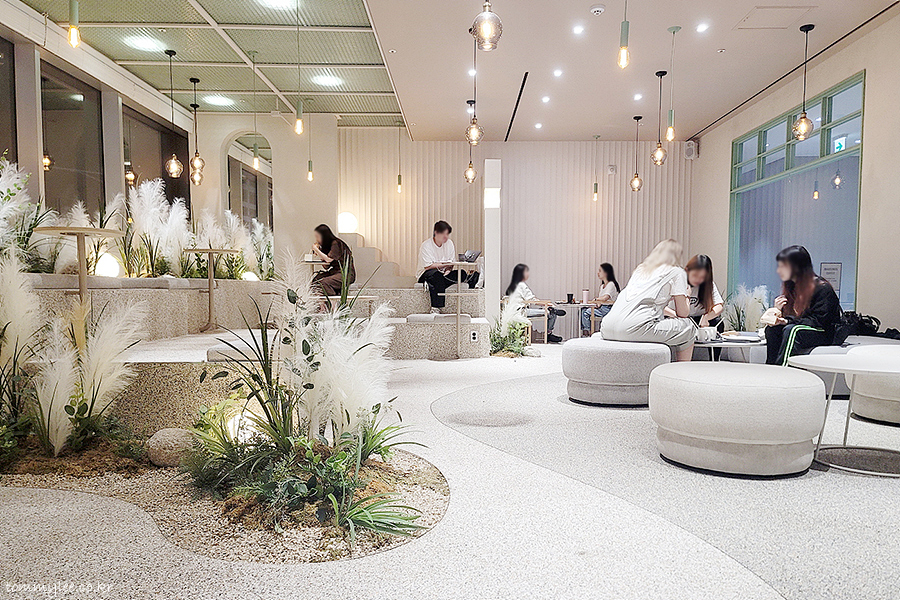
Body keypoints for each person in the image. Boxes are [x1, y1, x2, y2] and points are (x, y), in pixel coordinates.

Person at [600, 239, 697, 362]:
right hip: (634, 328)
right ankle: (680, 370)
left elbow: (643, 303)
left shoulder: (641, 270)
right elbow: (683, 313)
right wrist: (687, 295)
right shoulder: (676, 272)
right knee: (688, 327)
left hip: (607, 327)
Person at [765, 245, 841, 366]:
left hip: (823, 331)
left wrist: (787, 321)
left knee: (793, 330)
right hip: (802, 327)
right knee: (772, 329)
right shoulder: (792, 288)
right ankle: (770, 367)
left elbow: (819, 320)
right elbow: (792, 317)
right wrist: (777, 311)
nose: (779, 271)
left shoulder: (822, 288)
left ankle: (783, 369)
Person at [417, 221, 479, 312]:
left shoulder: (449, 243)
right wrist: (444, 265)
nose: (446, 237)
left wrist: (447, 272)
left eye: (447, 234)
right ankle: (436, 307)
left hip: (443, 274)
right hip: (427, 273)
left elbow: (451, 264)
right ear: (436, 233)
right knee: (436, 276)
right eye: (443, 234)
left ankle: (437, 282)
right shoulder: (426, 245)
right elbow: (428, 266)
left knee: (461, 273)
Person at [506, 264, 567, 344]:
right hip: (522, 312)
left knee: (549, 310)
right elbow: (532, 300)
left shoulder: (513, 285)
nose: (528, 274)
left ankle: (551, 311)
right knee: (551, 313)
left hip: (516, 311)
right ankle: (549, 334)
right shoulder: (521, 285)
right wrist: (547, 304)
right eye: (527, 272)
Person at [664, 254, 724, 327]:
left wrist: (706, 317)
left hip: (699, 319)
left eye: (702, 277)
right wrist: (675, 315)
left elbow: (719, 306)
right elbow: (660, 307)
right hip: (677, 318)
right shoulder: (676, 281)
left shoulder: (708, 285)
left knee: (718, 322)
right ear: (687, 271)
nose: (697, 279)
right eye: (695, 275)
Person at [311, 224, 355, 296]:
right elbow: (326, 266)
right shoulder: (327, 246)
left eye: (318, 237)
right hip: (334, 271)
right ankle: (322, 301)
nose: (317, 239)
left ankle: (333, 300)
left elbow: (329, 260)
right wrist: (320, 254)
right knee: (316, 280)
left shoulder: (336, 243)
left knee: (324, 283)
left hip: (345, 273)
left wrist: (317, 250)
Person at [581, 263, 619, 337]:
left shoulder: (611, 284)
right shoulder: (602, 286)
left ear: (606, 273)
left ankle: (588, 333)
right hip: (602, 308)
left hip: (608, 309)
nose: (598, 273)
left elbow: (605, 298)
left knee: (586, 312)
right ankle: (586, 332)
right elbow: (600, 301)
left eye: (600, 271)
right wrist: (596, 303)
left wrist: (595, 299)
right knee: (583, 310)